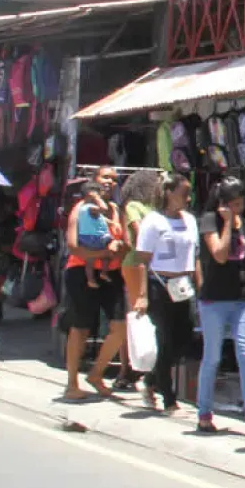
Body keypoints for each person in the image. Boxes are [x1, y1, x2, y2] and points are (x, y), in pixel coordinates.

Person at [131, 173, 200, 416]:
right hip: (159, 283)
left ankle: (150, 380)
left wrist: (199, 286)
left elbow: (195, 255)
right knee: (165, 339)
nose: (188, 198)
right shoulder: (153, 221)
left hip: (183, 285)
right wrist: (142, 294)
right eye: (184, 193)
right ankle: (169, 400)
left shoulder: (190, 220)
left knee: (184, 338)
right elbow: (142, 259)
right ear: (169, 193)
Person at [197, 177, 245, 436]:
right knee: (212, 357)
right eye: (233, 204)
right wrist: (226, 225)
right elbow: (220, 255)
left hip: (242, 298)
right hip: (214, 298)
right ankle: (204, 411)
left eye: (241, 203)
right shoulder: (209, 221)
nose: (239, 208)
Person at [62, 166, 127, 401]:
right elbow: (72, 245)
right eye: (105, 178)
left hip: (111, 273)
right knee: (80, 327)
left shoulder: (115, 209)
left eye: (114, 179)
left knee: (119, 327)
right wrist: (101, 253)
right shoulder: (81, 208)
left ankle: (96, 373)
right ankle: (71, 383)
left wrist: (117, 248)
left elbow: (122, 242)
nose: (110, 182)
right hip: (81, 271)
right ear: (94, 181)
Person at [114, 169, 166, 394]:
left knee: (150, 316)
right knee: (137, 316)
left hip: (154, 264)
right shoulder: (134, 206)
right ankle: (128, 370)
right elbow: (138, 231)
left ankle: (140, 369)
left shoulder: (156, 208)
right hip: (136, 263)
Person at [75, 181, 115, 289]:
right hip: (94, 237)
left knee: (90, 261)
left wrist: (110, 222)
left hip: (89, 237)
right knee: (108, 254)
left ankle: (92, 279)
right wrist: (98, 198)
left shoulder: (86, 208)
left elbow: (100, 218)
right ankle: (103, 273)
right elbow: (104, 209)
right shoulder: (89, 207)